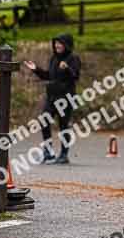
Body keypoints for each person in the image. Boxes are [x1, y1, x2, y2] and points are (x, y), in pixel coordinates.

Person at [23, 34, 81, 165]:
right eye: (55, 43)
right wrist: (36, 69)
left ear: (67, 44)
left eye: (60, 43)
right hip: (52, 97)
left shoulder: (73, 58)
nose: (57, 45)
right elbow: (48, 76)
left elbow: (75, 76)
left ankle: (64, 154)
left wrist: (67, 68)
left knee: (63, 126)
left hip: (66, 98)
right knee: (44, 121)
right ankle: (48, 152)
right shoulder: (53, 59)